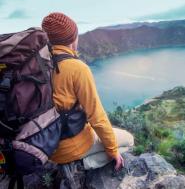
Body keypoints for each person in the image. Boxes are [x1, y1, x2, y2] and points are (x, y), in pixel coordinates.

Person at [41, 12, 134, 188]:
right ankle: (80, 165)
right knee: (128, 140)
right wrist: (112, 151)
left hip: (42, 145)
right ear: (72, 39)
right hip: (69, 148)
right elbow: (97, 117)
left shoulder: (36, 64)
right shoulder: (77, 68)